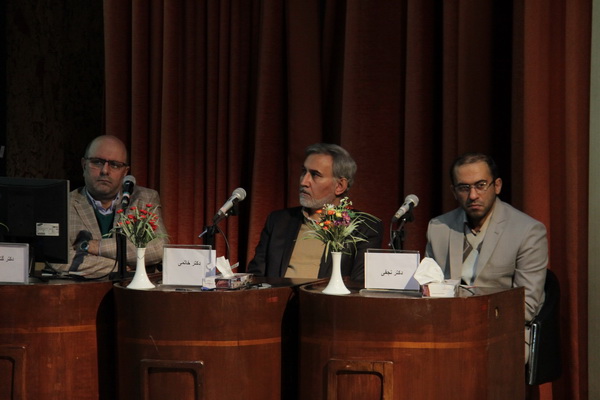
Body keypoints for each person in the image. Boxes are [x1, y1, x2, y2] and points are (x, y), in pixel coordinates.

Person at [425, 152, 548, 361]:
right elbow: (428, 288)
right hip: (446, 329)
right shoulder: (439, 228)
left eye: (480, 185)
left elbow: (525, 307)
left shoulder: (527, 231)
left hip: (504, 332)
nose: (473, 195)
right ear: (454, 191)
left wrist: (469, 322)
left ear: (497, 186)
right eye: (464, 188)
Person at [247, 143, 383, 281]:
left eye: (315, 175)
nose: (304, 182)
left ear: (340, 186)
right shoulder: (279, 221)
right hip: (278, 294)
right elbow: (257, 277)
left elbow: (359, 284)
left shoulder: (364, 228)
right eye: (303, 172)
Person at [53, 135, 168, 278]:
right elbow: (59, 261)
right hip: (82, 289)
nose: (105, 171)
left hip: (133, 289)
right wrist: (121, 267)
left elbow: (158, 248)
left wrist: (97, 247)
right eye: (97, 162)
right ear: (84, 165)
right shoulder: (64, 204)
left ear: (125, 172)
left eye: (115, 165)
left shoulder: (144, 198)